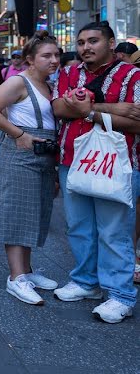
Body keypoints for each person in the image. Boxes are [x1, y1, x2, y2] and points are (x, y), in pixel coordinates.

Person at [51, 21, 140, 324]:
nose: (85, 47)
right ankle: (86, 282)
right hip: (72, 159)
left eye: (93, 41)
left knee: (114, 231)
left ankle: (121, 295)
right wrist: (113, 109)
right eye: (80, 42)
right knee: (78, 227)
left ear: (111, 43)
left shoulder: (133, 75)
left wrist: (89, 110)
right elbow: (58, 109)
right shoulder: (68, 73)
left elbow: (138, 121)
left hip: (117, 162)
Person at [0, 32, 60, 305]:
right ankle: (16, 278)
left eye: (56, 55)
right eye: (46, 56)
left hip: (44, 155)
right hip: (20, 153)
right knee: (17, 211)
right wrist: (18, 134)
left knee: (34, 212)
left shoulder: (49, 84)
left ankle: (26, 270)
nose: (54, 60)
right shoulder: (18, 81)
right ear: (30, 59)